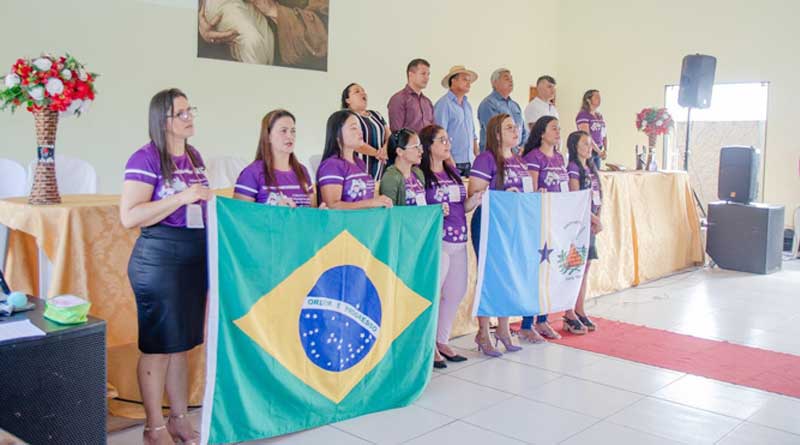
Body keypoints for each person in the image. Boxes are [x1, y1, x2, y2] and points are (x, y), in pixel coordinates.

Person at [120, 88, 211, 445]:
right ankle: (153, 427)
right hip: (160, 259)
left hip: (192, 258)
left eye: (191, 110)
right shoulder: (145, 158)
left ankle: (179, 419)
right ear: (163, 120)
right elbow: (130, 216)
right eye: (181, 113)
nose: (190, 117)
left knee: (181, 346)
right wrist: (182, 197)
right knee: (158, 349)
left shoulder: (194, 156)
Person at [419, 125, 483, 367]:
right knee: (433, 293)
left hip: (459, 239)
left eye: (448, 140)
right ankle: (428, 344)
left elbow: (461, 207)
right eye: (442, 140)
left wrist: (474, 200)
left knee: (456, 292)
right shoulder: (421, 176)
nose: (448, 144)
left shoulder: (452, 172)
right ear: (429, 146)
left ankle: (442, 340)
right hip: (439, 241)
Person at [468, 113, 529, 357]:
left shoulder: (518, 160)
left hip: (512, 226)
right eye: (509, 127)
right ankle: (483, 331)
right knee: (488, 276)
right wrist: (504, 196)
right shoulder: (486, 159)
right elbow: (475, 193)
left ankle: (504, 329)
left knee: (508, 276)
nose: (515, 131)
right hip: (489, 224)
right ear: (496, 133)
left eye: (516, 127)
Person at [519, 115, 568, 343]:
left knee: (551, 271)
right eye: (553, 128)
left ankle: (543, 318)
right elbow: (531, 191)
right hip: (538, 222)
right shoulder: (533, 158)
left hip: (556, 222)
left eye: (559, 128)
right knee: (536, 272)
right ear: (541, 133)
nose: (558, 132)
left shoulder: (559, 157)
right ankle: (526, 323)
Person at [234, 109, 317, 207]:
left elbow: (312, 210)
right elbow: (238, 214)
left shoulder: (302, 171)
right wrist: (276, 211)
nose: (290, 136)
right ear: (268, 136)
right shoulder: (251, 173)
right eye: (283, 131)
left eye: (293, 131)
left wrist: (321, 212)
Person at [564, 130, 603, 333]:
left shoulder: (591, 167)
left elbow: (597, 195)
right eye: (585, 144)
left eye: (590, 144)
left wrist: (597, 217)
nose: (590, 148)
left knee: (585, 267)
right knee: (575, 268)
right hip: (579, 224)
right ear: (575, 146)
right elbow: (576, 198)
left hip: (591, 223)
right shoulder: (573, 168)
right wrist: (593, 219)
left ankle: (580, 309)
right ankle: (569, 312)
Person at [316, 110, 393, 209]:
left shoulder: (360, 163)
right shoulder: (331, 166)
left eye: (360, 128)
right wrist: (371, 203)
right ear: (337, 135)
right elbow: (332, 206)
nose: (360, 132)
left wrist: (381, 201)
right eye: (353, 128)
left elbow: (367, 198)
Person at [434, 65, 479, 176]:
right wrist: (449, 159)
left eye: (469, 81)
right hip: (452, 162)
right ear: (453, 81)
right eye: (465, 79)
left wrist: (477, 157)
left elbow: (473, 134)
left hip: (470, 162)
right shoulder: (443, 104)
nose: (468, 83)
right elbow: (440, 135)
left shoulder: (467, 105)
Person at [342, 83, 390, 179]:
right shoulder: (346, 117)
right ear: (347, 100)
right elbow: (353, 143)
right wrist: (377, 153)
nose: (362, 93)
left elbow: (389, 135)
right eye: (357, 91)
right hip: (358, 167)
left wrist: (385, 150)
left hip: (380, 165)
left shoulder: (376, 115)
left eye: (363, 91)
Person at [477, 68, 527, 153]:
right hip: (495, 155)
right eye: (507, 78)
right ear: (495, 83)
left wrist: (522, 148)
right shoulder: (488, 104)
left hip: (516, 155)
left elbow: (523, 130)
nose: (511, 81)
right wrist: (513, 151)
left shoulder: (515, 105)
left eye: (511, 78)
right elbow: (494, 131)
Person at [378, 128, 425, 206]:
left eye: (420, 146)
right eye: (416, 147)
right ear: (400, 151)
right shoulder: (390, 178)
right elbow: (390, 211)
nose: (421, 151)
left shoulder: (418, 173)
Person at [387, 59, 435, 133]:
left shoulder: (427, 102)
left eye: (428, 74)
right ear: (411, 75)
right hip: (409, 140)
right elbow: (397, 132)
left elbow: (433, 130)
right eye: (423, 74)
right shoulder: (398, 99)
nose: (427, 77)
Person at [576, 89, 608, 169]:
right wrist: (599, 151)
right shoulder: (583, 115)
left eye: (599, 97)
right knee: (589, 173)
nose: (599, 99)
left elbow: (604, 134)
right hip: (588, 151)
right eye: (596, 97)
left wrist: (605, 150)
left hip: (598, 150)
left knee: (597, 173)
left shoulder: (599, 116)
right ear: (588, 100)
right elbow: (586, 135)